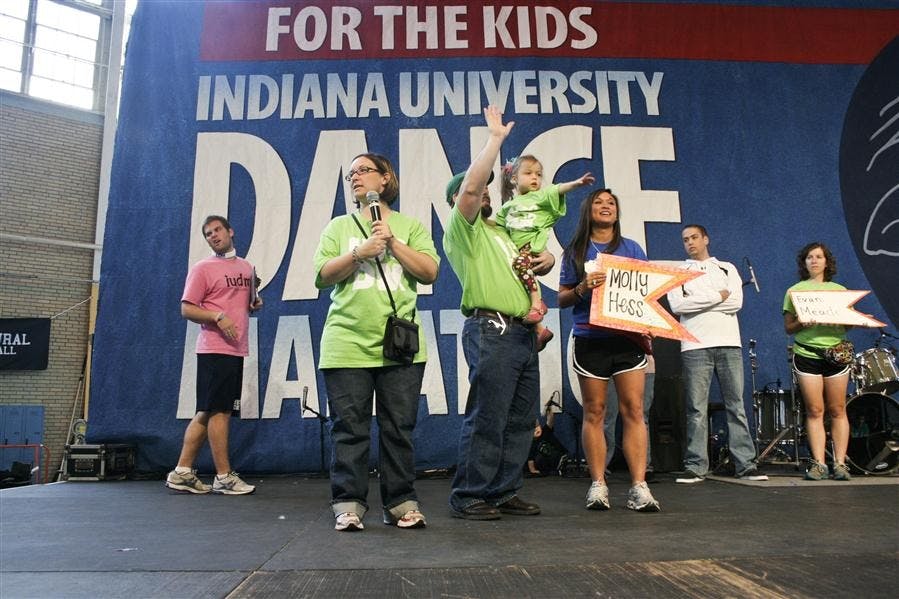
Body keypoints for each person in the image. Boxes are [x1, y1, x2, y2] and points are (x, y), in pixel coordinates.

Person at [313, 152, 440, 531]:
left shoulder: (410, 225)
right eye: (350, 173)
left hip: (399, 344)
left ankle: (401, 502)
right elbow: (322, 275)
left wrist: (392, 242)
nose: (355, 177)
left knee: (398, 428)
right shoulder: (338, 226)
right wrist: (358, 252)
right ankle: (348, 503)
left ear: (385, 180)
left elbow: (429, 271)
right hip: (346, 342)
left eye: (364, 170)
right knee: (349, 429)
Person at [444, 105, 554, 520]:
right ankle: (470, 494)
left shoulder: (505, 233)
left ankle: (504, 489)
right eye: (474, 192)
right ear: (457, 202)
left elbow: (530, 267)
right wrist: (494, 141)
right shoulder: (463, 230)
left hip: (523, 334)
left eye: (489, 190)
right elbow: (471, 190)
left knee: (521, 418)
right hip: (491, 328)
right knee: (489, 415)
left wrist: (542, 263)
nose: (483, 193)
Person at [558, 189, 660, 512]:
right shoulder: (575, 251)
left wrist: (649, 325)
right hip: (590, 339)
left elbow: (647, 293)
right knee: (595, 412)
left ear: (617, 212)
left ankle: (638, 487)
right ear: (589, 210)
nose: (606, 206)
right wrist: (582, 288)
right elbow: (561, 299)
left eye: (611, 203)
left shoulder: (632, 248)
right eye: (599, 202)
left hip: (627, 341)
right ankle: (598, 485)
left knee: (633, 410)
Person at [165, 215, 262, 496]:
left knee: (207, 411)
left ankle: (182, 471)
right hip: (214, 348)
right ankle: (224, 477)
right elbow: (187, 309)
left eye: (217, 230)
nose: (214, 236)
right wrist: (217, 316)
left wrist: (254, 304)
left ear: (230, 231)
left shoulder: (246, 267)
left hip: (236, 349)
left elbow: (244, 302)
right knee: (220, 411)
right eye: (208, 234)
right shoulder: (203, 268)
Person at [666, 224, 767, 483]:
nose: (689, 242)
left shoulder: (727, 268)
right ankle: (696, 466)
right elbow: (678, 305)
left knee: (736, 405)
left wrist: (703, 300)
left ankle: (745, 465)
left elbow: (736, 301)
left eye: (694, 237)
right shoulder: (678, 271)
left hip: (729, 343)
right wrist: (718, 296)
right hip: (694, 345)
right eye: (685, 239)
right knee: (696, 409)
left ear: (706, 239)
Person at [495, 155, 594, 350]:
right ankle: (539, 329)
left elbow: (557, 189)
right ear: (514, 178)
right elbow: (497, 228)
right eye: (529, 173)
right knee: (516, 279)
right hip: (514, 250)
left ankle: (536, 303)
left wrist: (577, 183)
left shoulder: (539, 196)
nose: (535, 178)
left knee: (520, 266)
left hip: (531, 246)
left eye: (539, 175)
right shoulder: (507, 207)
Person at [783, 242, 853, 481]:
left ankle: (841, 463)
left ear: (826, 262)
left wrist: (841, 320)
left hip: (835, 354)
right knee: (814, 410)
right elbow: (789, 328)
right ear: (804, 263)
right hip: (807, 355)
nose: (814, 260)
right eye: (809, 257)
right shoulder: (794, 291)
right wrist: (804, 322)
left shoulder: (840, 290)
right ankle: (819, 463)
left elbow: (849, 324)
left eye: (819, 257)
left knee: (837, 409)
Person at [603, 354, 655, 478]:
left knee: (641, 417)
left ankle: (643, 467)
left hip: (644, 365)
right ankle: (601, 465)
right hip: (610, 365)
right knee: (607, 418)